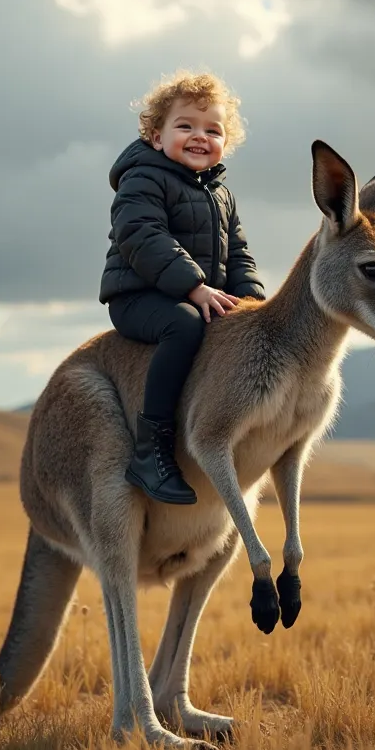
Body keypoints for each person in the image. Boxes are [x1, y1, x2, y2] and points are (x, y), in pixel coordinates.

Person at [99, 70, 265, 505]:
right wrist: (193, 286)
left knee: (218, 325)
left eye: (212, 129)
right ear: (157, 137)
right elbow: (142, 235)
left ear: (224, 143)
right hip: (139, 296)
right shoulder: (143, 178)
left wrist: (254, 304)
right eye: (185, 126)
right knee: (185, 325)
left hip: (192, 294)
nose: (199, 136)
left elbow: (239, 254)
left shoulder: (220, 194)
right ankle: (150, 452)